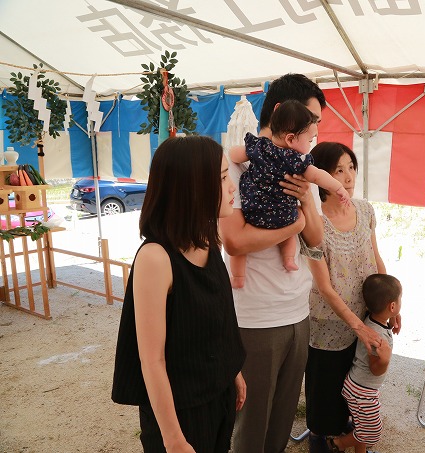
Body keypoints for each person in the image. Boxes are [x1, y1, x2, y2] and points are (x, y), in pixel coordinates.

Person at [111, 135, 246, 452]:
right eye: (224, 178)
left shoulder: (208, 240)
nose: (232, 188)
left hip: (217, 394)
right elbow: (151, 360)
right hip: (179, 411)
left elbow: (219, 319)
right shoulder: (156, 259)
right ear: (193, 187)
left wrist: (232, 371)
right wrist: (173, 438)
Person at [221, 73, 325, 453]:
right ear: (284, 116)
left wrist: (307, 202)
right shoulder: (233, 162)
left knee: (280, 422)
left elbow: (316, 240)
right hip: (254, 317)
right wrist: (294, 223)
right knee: (251, 428)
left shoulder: (301, 165)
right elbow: (234, 239)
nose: (314, 134)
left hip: (297, 312)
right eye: (311, 122)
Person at [305, 142, 398, 453]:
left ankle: (346, 428)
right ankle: (320, 436)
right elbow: (325, 287)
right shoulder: (314, 223)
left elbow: (377, 259)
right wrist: (357, 327)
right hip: (328, 319)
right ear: (320, 177)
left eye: (351, 167)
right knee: (326, 382)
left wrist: (390, 304)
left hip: (365, 312)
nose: (348, 177)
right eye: (338, 170)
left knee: (355, 376)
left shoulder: (364, 209)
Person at [228, 100, 350, 288]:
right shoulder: (297, 161)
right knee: (289, 234)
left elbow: (236, 155)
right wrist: (338, 188)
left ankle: (238, 277)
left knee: (240, 255)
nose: (311, 145)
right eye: (310, 140)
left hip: (252, 210)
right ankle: (288, 258)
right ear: (291, 139)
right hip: (282, 215)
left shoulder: (259, 147)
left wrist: (234, 154)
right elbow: (318, 176)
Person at [326, 274, 402, 453]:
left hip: (356, 385)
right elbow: (376, 369)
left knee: (361, 427)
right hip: (362, 391)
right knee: (372, 432)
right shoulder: (377, 337)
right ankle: (338, 444)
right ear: (392, 306)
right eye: (400, 299)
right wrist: (385, 359)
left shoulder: (372, 321)